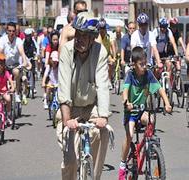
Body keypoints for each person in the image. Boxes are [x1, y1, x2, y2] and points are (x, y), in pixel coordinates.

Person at [56, 12, 110, 180]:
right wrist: (67, 120)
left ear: (93, 38)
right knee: (71, 160)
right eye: (77, 33)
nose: (79, 38)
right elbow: (63, 86)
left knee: (103, 132)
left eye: (84, 35)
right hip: (70, 109)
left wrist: (103, 116)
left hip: (90, 106)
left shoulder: (100, 52)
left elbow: (102, 85)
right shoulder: (66, 50)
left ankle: (94, 176)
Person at [118, 46, 172, 179]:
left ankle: (150, 146)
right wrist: (126, 102)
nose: (144, 66)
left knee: (151, 120)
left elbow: (159, 89)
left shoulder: (148, 74)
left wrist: (167, 103)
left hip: (141, 111)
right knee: (130, 134)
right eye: (141, 64)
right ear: (134, 64)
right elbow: (124, 91)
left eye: (145, 63)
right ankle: (123, 164)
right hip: (130, 113)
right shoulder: (130, 75)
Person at [0, 22, 28, 103]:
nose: (11, 33)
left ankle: (17, 92)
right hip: (4, 66)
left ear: (15, 31)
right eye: (9, 31)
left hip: (15, 65)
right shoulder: (2, 39)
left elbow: (22, 52)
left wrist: (24, 61)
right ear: (6, 31)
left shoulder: (18, 40)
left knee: (16, 72)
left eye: (13, 31)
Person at [96, 18, 116, 88]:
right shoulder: (96, 36)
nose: (102, 30)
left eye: (103, 28)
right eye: (100, 28)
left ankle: (109, 80)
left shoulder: (109, 36)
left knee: (111, 63)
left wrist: (114, 57)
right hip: (98, 55)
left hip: (107, 55)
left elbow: (113, 46)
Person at [42, 31, 60, 109]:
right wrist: (47, 64)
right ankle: (46, 98)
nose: (55, 41)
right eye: (54, 40)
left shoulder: (60, 46)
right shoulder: (49, 46)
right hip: (49, 62)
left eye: (57, 39)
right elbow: (47, 57)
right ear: (51, 40)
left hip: (59, 64)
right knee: (48, 86)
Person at [0, 53, 15, 125]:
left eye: (1, 64)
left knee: (8, 99)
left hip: (4, 91)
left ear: (4, 65)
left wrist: (12, 88)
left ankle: (8, 115)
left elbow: (11, 81)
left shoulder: (6, 73)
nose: (0, 66)